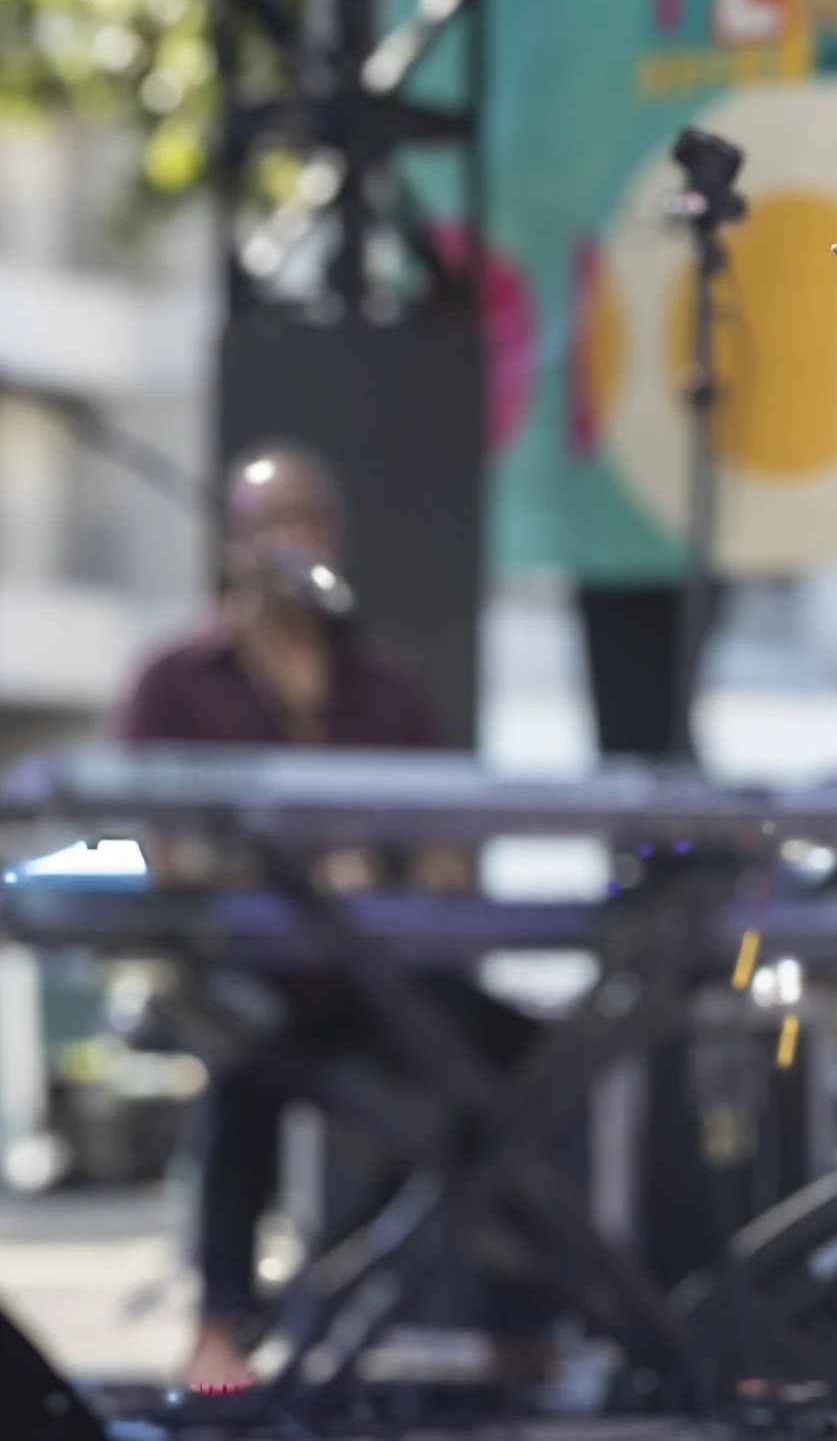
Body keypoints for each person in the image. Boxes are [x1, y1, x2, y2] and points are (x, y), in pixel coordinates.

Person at [118, 445, 530, 1395]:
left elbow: (449, 853)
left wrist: (398, 868)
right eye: (274, 519)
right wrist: (292, 864)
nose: (294, 540)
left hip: (375, 972)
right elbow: (155, 850)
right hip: (242, 967)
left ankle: (479, 1304)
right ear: (233, 540)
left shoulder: (386, 682)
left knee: (516, 1055)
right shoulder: (175, 678)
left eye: (312, 519)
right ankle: (222, 1317)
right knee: (248, 1060)